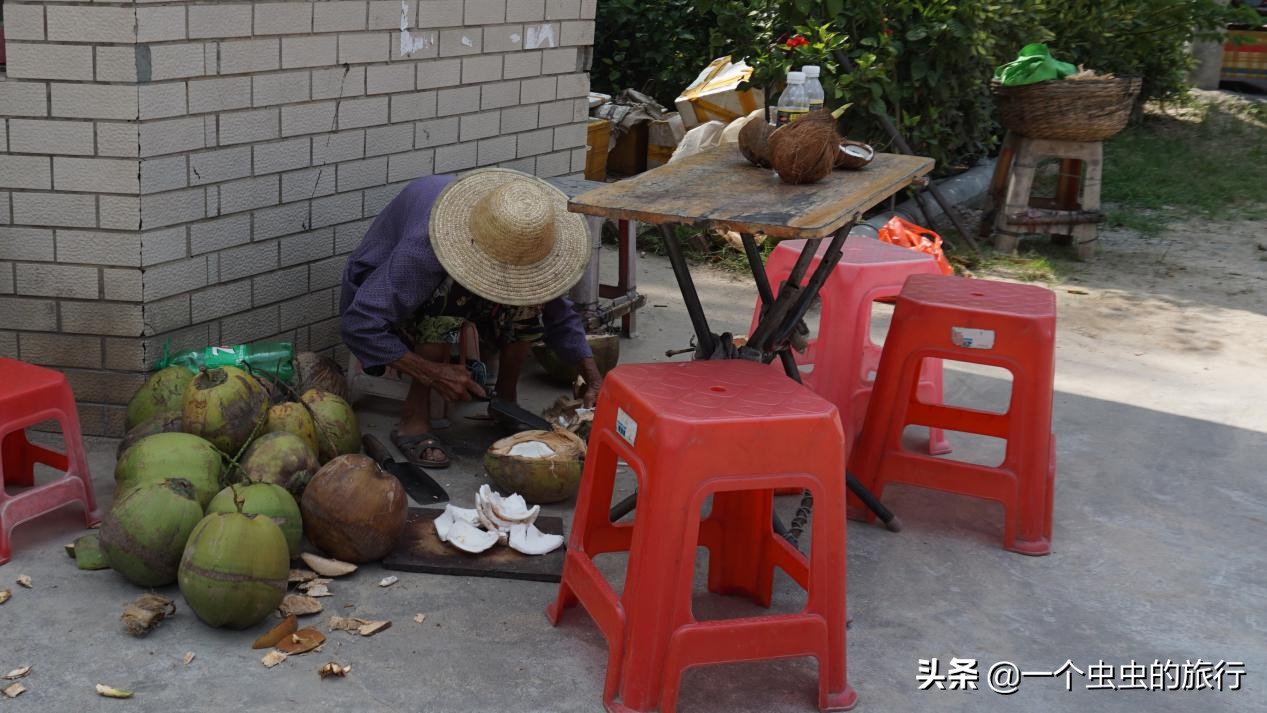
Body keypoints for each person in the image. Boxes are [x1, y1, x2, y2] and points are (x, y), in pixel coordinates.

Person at [340, 169, 602, 468]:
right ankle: (413, 418)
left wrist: (593, 376)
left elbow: (559, 312)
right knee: (448, 302)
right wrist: (432, 372)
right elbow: (358, 323)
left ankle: (505, 403)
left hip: (455, 281)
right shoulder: (425, 247)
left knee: (531, 304)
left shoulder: (525, 241)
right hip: (394, 293)